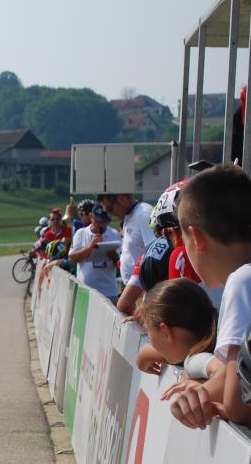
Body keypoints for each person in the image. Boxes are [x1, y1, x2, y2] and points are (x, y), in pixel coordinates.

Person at [159, 166, 251, 429]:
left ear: (197, 238)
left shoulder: (242, 281)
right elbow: (232, 374)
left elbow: (237, 400)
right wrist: (203, 388)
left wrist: (201, 399)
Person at [132, 279, 219, 379]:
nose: (150, 341)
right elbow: (179, 351)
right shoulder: (212, 341)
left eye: (148, 333)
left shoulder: (197, 362)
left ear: (165, 332)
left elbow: (219, 370)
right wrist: (144, 354)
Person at [98, 192, 156, 286]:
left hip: (142, 287)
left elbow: (155, 255)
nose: (109, 214)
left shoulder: (144, 214)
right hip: (131, 284)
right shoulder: (129, 215)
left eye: (109, 209)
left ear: (121, 199)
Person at [68, 204, 122, 303]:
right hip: (85, 290)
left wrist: (113, 256)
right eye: (98, 221)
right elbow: (72, 258)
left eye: (104, 222)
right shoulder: (81, 233)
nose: (101, 225)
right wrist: (90, 247)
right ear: (91, 217)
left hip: (108, 291)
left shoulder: (114, 234)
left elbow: (121, 265)